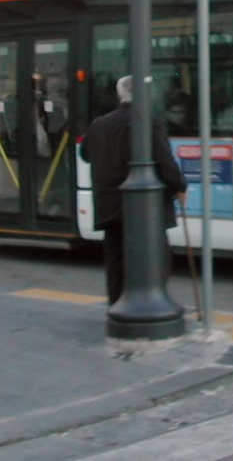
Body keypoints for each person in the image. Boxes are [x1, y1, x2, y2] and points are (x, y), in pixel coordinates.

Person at [81, 75, 187, 305]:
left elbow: (85, 154)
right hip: (145, 208)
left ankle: (117, 304)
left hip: (109, 203)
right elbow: (163, 160)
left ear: (120, 95)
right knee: (155, 255)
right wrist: (179, 186)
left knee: (116, 258)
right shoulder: (148, 121)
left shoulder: (99, 124)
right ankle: (153, 302)